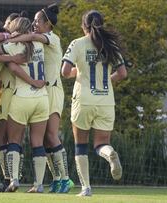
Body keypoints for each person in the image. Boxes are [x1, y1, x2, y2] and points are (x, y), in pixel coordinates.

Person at [0, 17, 48, 193]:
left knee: (13, 141)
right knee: (37, 142)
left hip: (22, 97)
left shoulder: (12, 46)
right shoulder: (40, 45)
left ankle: (13, 180)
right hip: (42, 98)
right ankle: (39, 184)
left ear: (15, 30)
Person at [7, 3, 73, 193]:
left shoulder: (51, 38)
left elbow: (34, 37)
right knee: (43, 139)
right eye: (34, 21)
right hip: (44, 92)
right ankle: (56, 178)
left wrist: (14, 35)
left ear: (48, 24)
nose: (34, 24)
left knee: (51, 135)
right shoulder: (40, 42)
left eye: (37, 21)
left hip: (52, 90)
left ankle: (65, 178)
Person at [61, 10, 127, 196]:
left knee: (80, 145)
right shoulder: (110, 45)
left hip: (83, 100)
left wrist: (80, 72)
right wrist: (104, 80)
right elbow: (122, 73)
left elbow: (65, 71)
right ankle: (110, 153)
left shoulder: (77, 43)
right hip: (105, 100)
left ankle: (86, 188)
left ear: (83, 26)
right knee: (101, 144)